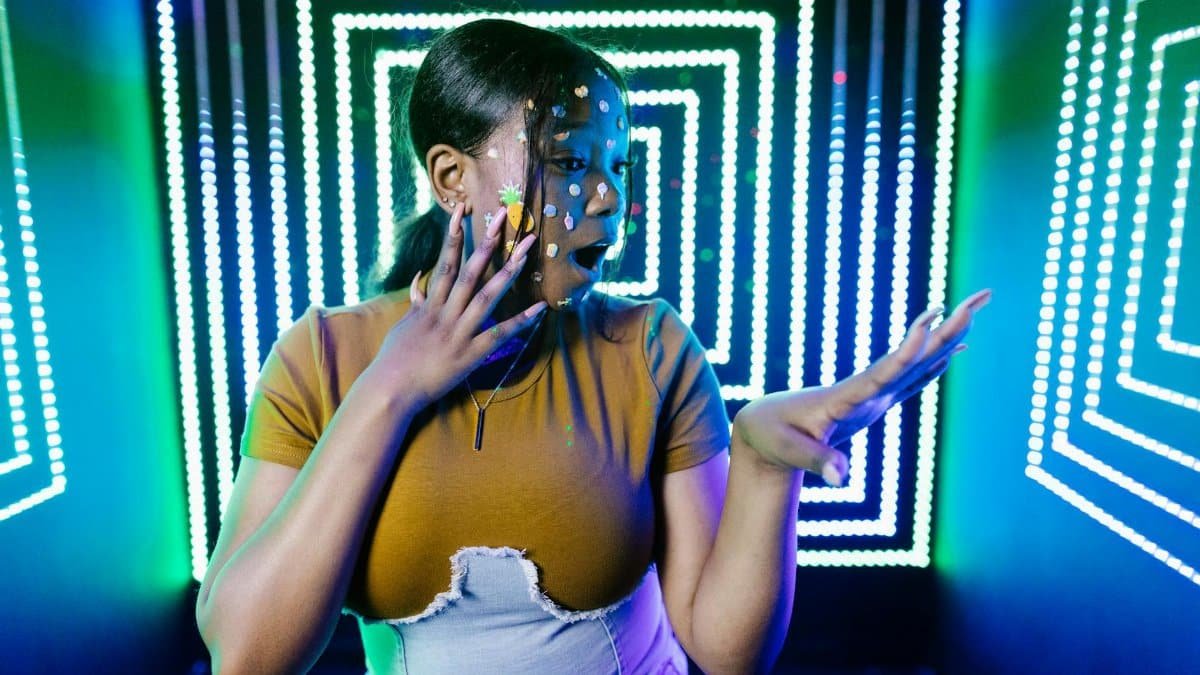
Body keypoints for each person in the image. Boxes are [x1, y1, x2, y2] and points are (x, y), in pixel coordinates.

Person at [194, 18, 990, 675]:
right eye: (570, 160)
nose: (610, 196)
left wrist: (761, 463)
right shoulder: (322, 358)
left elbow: (724, 649)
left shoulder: (649, 348)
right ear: (452, 178)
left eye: (619, 164)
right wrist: (393, 385)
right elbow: (248, 656)